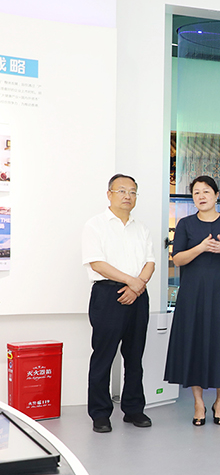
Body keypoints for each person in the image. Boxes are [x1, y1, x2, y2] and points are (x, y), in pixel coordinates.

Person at [164, 176, 220, 426]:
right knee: (194, 343)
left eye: (206, 191)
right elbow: (177, 259)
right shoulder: (186, 223)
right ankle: (198, 403)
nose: (201, 196)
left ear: (216, 195)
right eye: (196, 192)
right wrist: (200, 248)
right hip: (192, 294)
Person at [81, 174, 155, 433]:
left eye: (132, 191)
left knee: (135, 357)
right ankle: (100, 413)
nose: (127, 196)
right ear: (109, 194)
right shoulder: (95, 225)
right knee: (103, 356)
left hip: (138, 295)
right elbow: (97, 263)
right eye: (122, 190)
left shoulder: (141, 227)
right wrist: (131, 282)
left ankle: (133, 409)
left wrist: (137, 286)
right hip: (107, 295)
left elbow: (150, 262)